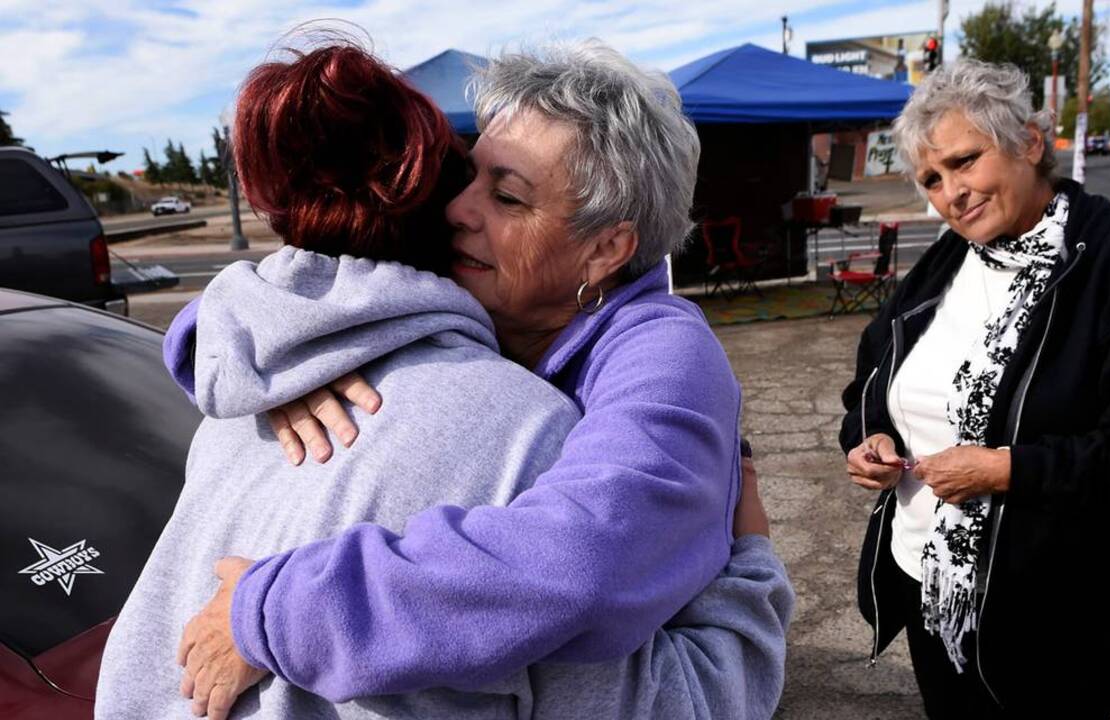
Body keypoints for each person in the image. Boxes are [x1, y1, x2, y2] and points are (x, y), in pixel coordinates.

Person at [99, 39, 792, 719]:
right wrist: (290, 361)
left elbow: (582, 564)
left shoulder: (666, 355)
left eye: (508, 198)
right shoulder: (494, 309)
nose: (459, 209)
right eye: (469, 175)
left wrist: (275, 612)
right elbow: (275, 294)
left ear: (606, 248)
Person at [839, 59, 1110, 719]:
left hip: (1061, 618)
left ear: (1029, 143)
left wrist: (1005, 470)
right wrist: (869, 438)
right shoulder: (942, 266)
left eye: (964, 162)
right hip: (934, 592)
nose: (951, 192)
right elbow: (874, 379)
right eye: (932, 178)